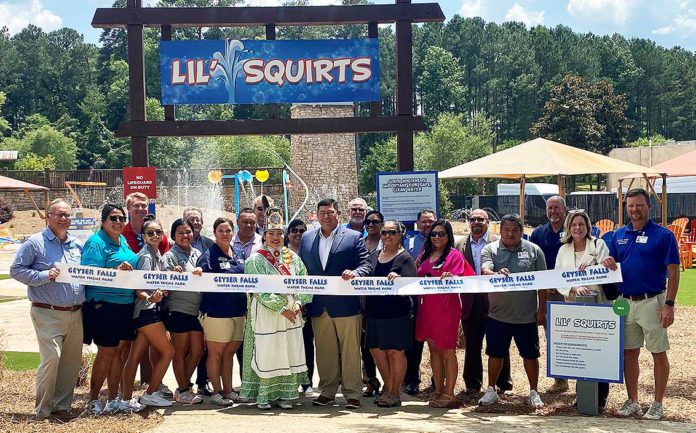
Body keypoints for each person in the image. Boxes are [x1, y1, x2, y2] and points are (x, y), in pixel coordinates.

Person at [601, 188, 680, 420]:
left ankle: (657, 403)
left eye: (639, 205)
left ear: (649, 207)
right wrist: (608, 261)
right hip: (625, 302)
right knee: (629, 353)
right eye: (630, 205)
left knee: (658, 352)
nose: (634, 209)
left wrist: (669, 304)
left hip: (652, 301)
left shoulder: (663, 235)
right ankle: (633, 400)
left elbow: (674, 272)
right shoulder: (618, 235)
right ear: (626, 208)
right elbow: (613, 262)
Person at [10, 199, 84, 419]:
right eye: (59, 214)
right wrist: (44, 276)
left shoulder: (77, 244)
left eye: (67, 215)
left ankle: (61, 408)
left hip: (75, 312)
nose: (64, 219)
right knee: (52, 358)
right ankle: (42, 411)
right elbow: (16, 270)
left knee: (70, 363)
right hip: (47, 311)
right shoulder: (35, 243)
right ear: (47, 216)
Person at [299, 198, 372, 409]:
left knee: (350, 350)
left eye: (330, 212)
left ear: (338, 214)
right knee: (324, 351)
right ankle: (328, 392)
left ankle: (352, 394)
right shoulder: (306, 238)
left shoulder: (354, 237)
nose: (326, 216)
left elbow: (366, 264)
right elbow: (302, 269)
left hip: (346, 305)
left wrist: (356, 273)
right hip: (318, 305)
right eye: (322, 212)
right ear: (317, 214)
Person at [241, 208, 313, 409]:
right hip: (267, 313)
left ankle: (284, 394)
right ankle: (264, 395)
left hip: (292, 314)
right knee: (268, 352)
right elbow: (258, 289)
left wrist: (299, 302)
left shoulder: (292, 257)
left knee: (288, 351)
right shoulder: (255, 259)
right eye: (271, 233)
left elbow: (304, 281)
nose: (276, 237)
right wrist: (282, 308)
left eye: (279, 233)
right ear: (264, 236)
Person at [479, 213, 547, 408]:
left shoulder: (534, 250)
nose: (510, 234)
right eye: (506, 230)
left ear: (521, 231)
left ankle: (534, 392)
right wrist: (495, 274)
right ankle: (491, 390)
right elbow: (485, 270)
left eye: (515, 230)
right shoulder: (490, 249)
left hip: (526, 316)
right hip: (497, 315)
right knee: (495, 354)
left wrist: (541, 311)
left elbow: (543, 284)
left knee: (531, 356)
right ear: (499, 231)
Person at [81, 204, 140, 414]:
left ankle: (113, 398)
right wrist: (115, 271)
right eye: (113, 218)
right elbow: (89, 274)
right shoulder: (96, 243)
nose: (118, 222)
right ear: (103, 221)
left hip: (125, 304)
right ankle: (94, 399)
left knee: (118, 352)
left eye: (121, 218)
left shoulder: (122, 240)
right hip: (103, 304)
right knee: (106, 352)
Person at [555, 210, 611, 411]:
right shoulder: (563, 250)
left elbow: (607, 273)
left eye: (581, 224)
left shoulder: (598, 245)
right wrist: (573, 287)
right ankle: (583, 396)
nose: (577, 228)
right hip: (574, 311)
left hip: (598, 309)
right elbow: (558, 278)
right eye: (573, 225)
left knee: (599, 353)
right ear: (569, 228)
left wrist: (594, 267)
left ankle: (600, 398)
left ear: (587, 226)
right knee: (581, 355)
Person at [416, 219, 474, 408]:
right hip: (427, 308)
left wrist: (453, 277)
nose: (437, 237)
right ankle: (438, 390)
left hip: (447, 309)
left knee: (448, 351)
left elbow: (465, 277)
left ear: (448, 236)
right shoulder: (425, 254)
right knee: (433, 351)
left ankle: (450, 394)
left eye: (441, 234)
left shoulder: (454, 255)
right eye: (434, 234)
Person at [454, 209, 512, 396]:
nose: (476, 222)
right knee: (472, 344)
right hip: (471, 300)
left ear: (488, 222)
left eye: (481, 219)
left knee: (499, 343)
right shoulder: (460, 244)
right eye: (473, 219)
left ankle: (503, 383)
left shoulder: (499, 241)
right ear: (468, 222)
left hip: (495, 300)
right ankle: (472, 384)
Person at [122, 215, 175, 408]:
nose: (154, 235)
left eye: (158, 232)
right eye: (150, 233)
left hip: (147, 311)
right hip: (147, 312)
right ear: (143, 236)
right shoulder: (145, 256)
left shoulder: (155, 254)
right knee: (169, 351)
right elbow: (139, 288)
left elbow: (154, 283)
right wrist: (150, 297)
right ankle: (150, 393)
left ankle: (126, 399)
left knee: (134, 358)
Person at [365, 220, 417, 408]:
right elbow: (365, 274)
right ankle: (388, 388)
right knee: (377, 351)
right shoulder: (374, 255)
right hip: (374, 311)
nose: (387, 236)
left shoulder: (405, 258)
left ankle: (395, 392)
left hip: (397, 313)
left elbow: (413, 283)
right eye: (384, 232)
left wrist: (401, 279)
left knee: (395, 353)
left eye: (392, 232)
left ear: (400, 234)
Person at [197, 217, 247, 406]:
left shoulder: (239, 252)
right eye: (221, 231)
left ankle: (228, 389)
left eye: (228, 230)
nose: (225, 234)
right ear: (215, 233)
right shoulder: (208, 255)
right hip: (217, 312)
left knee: (229, 353)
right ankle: (217, 392)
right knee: (216, 353)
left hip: (238, 311)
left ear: (233, 232)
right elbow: (201, 279)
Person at [160, 218, 204, 404]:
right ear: (173, 236)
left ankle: (182, 387)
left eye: (188, 231)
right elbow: (164, 283)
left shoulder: (197, 253)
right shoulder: (169, 256)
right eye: (180, 233)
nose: (185, 236)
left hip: (196, 310)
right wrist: (173, 275)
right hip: (178, 308)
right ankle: (184, 389)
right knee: (180, 350)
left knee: (197, 350)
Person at [529, 195, 569, 394]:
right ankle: (560, 379)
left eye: (556, 208)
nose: (553, 212)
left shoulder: (573, 229)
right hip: (546, 293)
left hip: (570, 292)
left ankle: (580, 374)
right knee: (552, 335)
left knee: (572, 333)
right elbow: (532, 262)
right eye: (550, 208)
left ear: (564, 209)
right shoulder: (538, 233)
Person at [402, 208, 436, 394]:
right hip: (413, 298)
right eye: (423, 221)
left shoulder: (442, 240)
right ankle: (411, 380)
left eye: (430, 221)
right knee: (414, 342)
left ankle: (437, 381)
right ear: (417, 223)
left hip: (436, 299)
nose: (427, 225)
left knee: (437, 341)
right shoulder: (409, 240)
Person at [183, 207, 215, 397]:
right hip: (184, 303)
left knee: (205, 345)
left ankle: (203, 382)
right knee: (187, 347)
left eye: (198, 220)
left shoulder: (209, 244)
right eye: (190, 220)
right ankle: (184, 383)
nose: (195, 223)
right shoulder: (176, 244)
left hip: (205, 301)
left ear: (202, 223)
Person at [285, 219, 314, 394]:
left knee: (307, 345)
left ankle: (307, 381)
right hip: (285, 308)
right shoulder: (281, 253)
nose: (298, 234)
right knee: (288, 345)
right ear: (288, 233)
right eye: (294, 230)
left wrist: (303, 301)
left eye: (302, 231)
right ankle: (289, 382)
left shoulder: (309, 251)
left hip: (306, 307)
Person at [359, 209, 383, 397]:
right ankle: (371, 380)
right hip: (361, 300)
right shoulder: (360, 243)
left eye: (375, 222)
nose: (371, 225)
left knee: (382, 342)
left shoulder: (389, 242)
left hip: (382, 300)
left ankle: (390, 382)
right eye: (368, 222)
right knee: (365, 344)